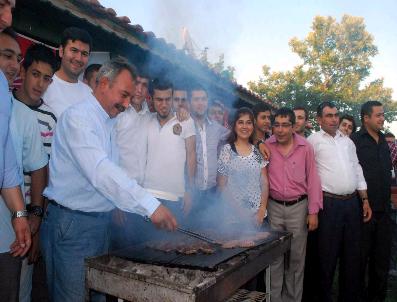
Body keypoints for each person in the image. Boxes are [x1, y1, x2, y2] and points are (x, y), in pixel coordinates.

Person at [40, 58, 177, 301]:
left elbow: (116, 169)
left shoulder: (109, 121)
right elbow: (100, 171)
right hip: (73, 224)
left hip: (98, 224)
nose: (126, 104)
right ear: (104, 83)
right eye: (123, 95)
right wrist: (150, 206)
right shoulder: (79, 119)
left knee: (98, 296)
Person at [307, 101, 371, 302]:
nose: (334, 119)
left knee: (352, 256)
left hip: (352, 204)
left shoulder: (348, 141)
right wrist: (313, 209)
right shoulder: (312, 141)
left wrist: (365, 199)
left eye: (336, 115)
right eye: (328, 115)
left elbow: (357, 168)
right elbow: (307, 175)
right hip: (328, 205)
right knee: (326, 257)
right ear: (319, 119)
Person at [13, 42, 58, 302]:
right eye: (35, 74)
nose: (40, 83)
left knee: (21, 288)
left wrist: (37, 225)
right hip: (5, 212)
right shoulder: (5, 107)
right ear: (23, 71)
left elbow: (47, 173)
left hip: (31, 217)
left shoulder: (50, 119)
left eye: (47, 79)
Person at [265, 107, 323, 302]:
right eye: (276, 125)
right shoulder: (266, 145)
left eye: (285, 125)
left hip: (299, 208)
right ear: (272, 127)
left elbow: (313, 180)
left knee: (296, 259)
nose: (280, 130)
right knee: (274, 257)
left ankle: (292, 299)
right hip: (273, 207)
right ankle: (274, 299)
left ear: (293, 126)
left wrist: (313, 211)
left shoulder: (305, 147)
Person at [0, 25, 33, 302]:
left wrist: (21, 215)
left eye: (17, 58)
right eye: (6, 56)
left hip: (5, 239)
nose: (14, 66)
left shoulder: (5, 98)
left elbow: (8, 164)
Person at [351, 101, 393, 302]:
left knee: (381, 262)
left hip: (385, 211)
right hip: (363, 212)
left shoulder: (385, 140)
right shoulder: (355, 140)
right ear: (366, 118)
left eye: (382, 115)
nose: (382, 118)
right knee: (359, 263)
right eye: (378, 115)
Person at [143, 79, 196, 221]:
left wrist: (190, 191)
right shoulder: (145, 120)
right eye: (159, 100)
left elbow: (192, 156)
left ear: (173, 99)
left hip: (175, 197)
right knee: (147, 242)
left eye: (168, 99)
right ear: (152, 99)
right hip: (147, 195)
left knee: (170, 242)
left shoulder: (186, 121)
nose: (164, 104)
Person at [217, 107, 269, 226]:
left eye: (248, 123)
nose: (245, 126)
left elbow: (264, 183)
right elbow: (222, 186)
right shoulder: (227, 151)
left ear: (253, 126)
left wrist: (262, 210)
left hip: (257, 218)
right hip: (234, 219)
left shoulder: (256, 152)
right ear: (234, 126)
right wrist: (241, 213)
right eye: (240, 122)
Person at [189, 85, 229, 214]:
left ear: (207, 101)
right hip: (191, 192)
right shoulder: (183, 125)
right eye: (196, 99)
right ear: (190, 102)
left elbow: (239, 136)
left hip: (211, 192)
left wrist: (260, 142)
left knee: (210, 230)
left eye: (203, 99)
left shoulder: (217, 128)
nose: (200, 103)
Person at [43, 27, 92, 118]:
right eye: (74, 50)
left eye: (84, 54)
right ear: (61, 51)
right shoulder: (44, 87)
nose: (78, 58)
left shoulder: (90, 94)